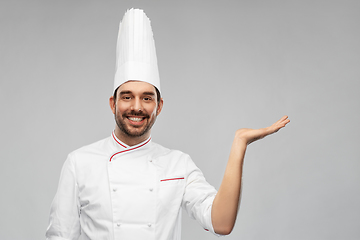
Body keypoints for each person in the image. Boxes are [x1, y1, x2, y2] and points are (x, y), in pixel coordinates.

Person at [46, 9, 290, 240]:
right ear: (113, 103)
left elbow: (222, 223)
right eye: (127, 96)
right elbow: (61, 236)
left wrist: (239, 144)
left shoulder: (178, 164)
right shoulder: (79, 163)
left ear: (159, 106)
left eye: (147, 97)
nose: (137, 107)